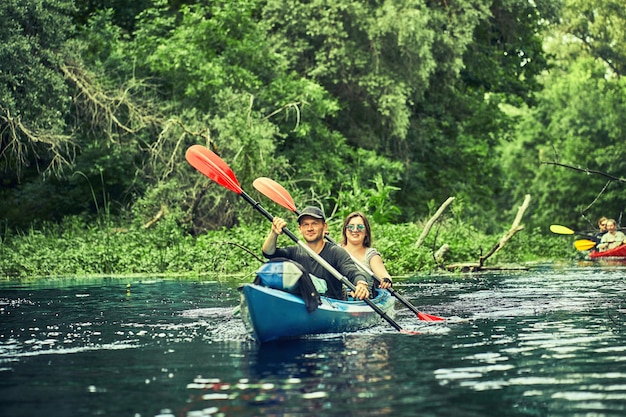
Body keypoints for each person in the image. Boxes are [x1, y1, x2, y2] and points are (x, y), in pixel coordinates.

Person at [262, 206, 372, 300]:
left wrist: (361, 283)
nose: (310, 228)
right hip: (305, 302)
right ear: (300, 228)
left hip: (332, 305)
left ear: (324, 226)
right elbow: (269, 253)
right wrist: (274, 233)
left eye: (314, 224)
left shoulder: (335, 252)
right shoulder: (294, 252)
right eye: (305, 225)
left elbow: (353, 272)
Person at [341, 211, 393, 290]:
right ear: (345, 230)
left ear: (366, 232)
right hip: (336, 299)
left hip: (364, 299)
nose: (355, 230)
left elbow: (383, 274)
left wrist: (386, 280)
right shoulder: (335, 250)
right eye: (351, 227)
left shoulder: (371, 255)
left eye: (360, 227)